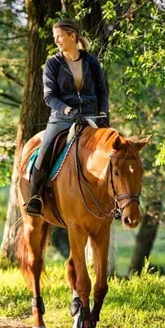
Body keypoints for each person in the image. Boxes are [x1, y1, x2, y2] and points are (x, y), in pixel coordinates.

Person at [25, 20, 109, 217]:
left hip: (91, 117)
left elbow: (101, 91)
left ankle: (112, 199)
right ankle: (35, 197)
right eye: (55, 37)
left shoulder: (92, 62)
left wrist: (103, 113)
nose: (56, 41)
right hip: (62, 118)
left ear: (73, 36)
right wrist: (69, 111)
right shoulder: (53, 64)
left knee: (113, 150)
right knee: (45, 149)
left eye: (60, 36)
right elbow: (49, 97)